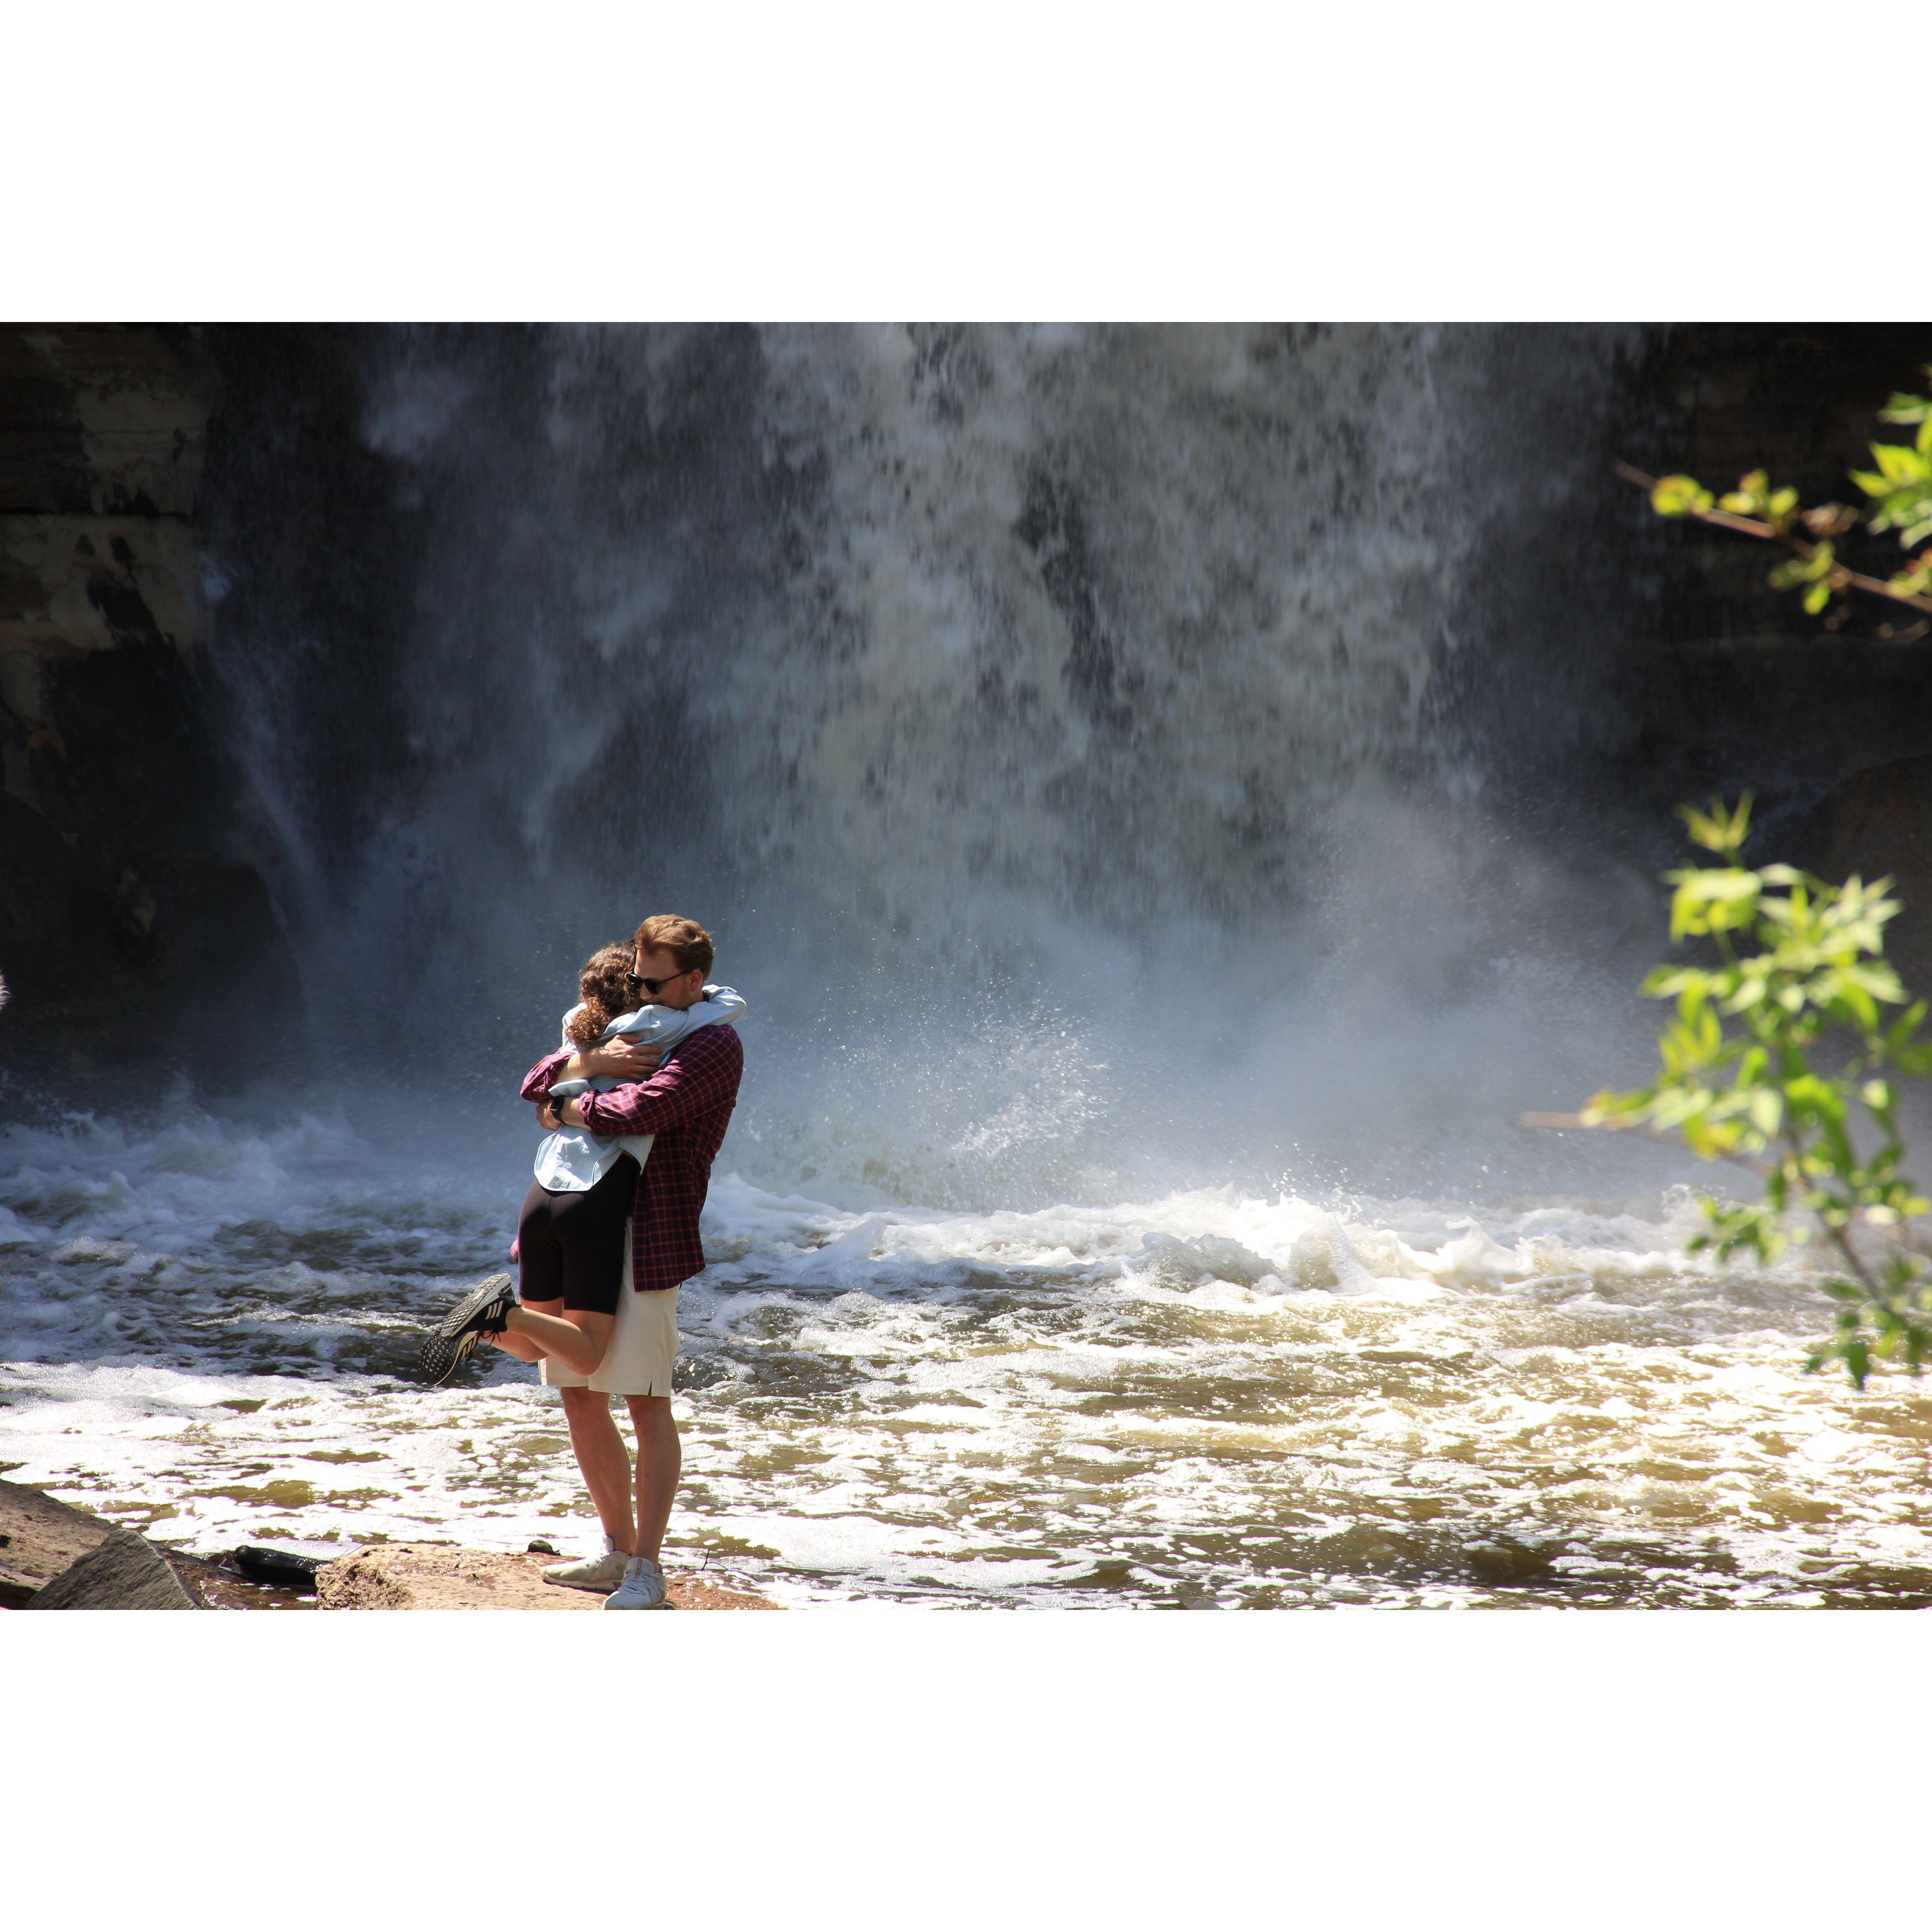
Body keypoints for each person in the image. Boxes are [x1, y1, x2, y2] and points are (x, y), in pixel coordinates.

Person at [419, 915, 745, 1611]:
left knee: (645, 1403)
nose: (645, 995)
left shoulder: (713, 1042)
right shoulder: (626, 1030)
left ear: (694, 980)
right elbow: (541, 1080)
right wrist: (586, 1070)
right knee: (584, 1391)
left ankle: (645, 1570)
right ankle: (619, 1553)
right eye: (637, 982)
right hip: (592, 1212)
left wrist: (566, 1106)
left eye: (656, 984)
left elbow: (647, 1107)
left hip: (645, 1229)